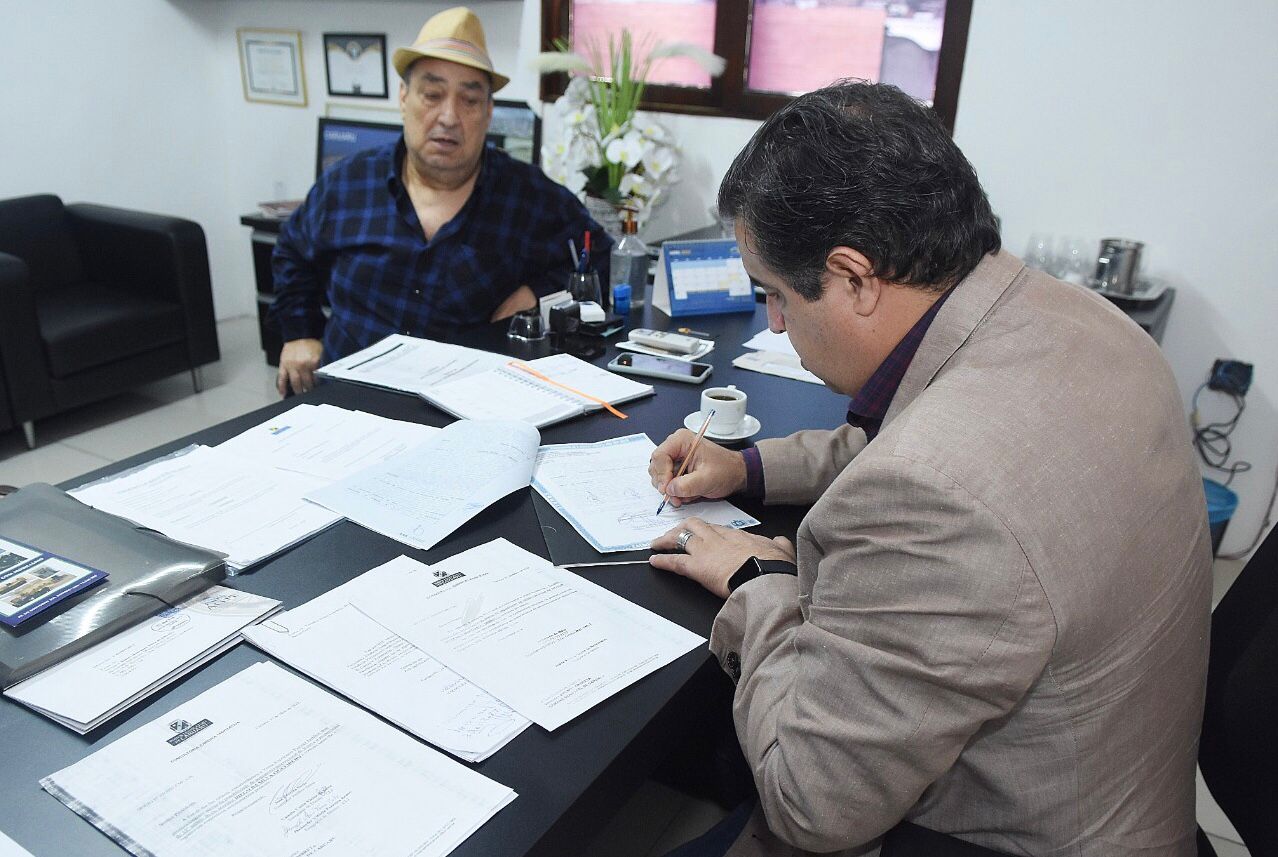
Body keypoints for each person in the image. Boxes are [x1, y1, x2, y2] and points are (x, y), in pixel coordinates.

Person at [648, 81, 1212, 856]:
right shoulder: (1081, 320)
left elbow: (812, 806)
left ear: (853, 277)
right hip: (1122, 787)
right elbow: (920, 435)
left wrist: (758, 583)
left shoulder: (934, 497)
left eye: (774, 295)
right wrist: (745, 468)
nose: (774, 322)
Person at [271, 6, 610, 396]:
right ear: (404, 98)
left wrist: (538, 293)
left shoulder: (528, 196)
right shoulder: (347, 183)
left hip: (464, 408)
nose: (449, 116)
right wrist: (299, 333)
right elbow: (292, 252)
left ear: (488, 112)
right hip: (346, 396)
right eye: (432, 94)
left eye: (469, 100)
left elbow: (598, 254)